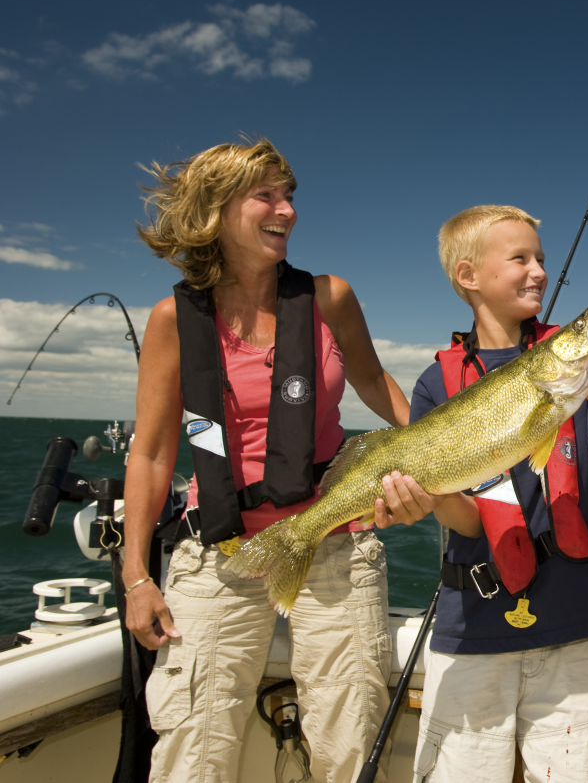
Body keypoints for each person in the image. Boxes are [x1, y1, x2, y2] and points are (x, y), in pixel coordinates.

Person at [121, 138, 411, 782]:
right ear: (216, 211)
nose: (288, 211)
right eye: (267, 196)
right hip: (218, 554)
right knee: (191, 756)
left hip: (337, 546)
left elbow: (376, 384)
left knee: (352, 748)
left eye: (290, 197)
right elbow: (151, 452)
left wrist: (460, 453)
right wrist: (137, 574)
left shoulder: (330, 298)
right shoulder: (173, 319)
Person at [370, 204, 588, 783]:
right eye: (520, 258)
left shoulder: (571, 376)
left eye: (542, 260)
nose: (539, 272)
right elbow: (470, 522)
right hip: (472, 633)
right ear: (468, 277)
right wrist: (424, 499)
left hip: (579, 625)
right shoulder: (435, 383)